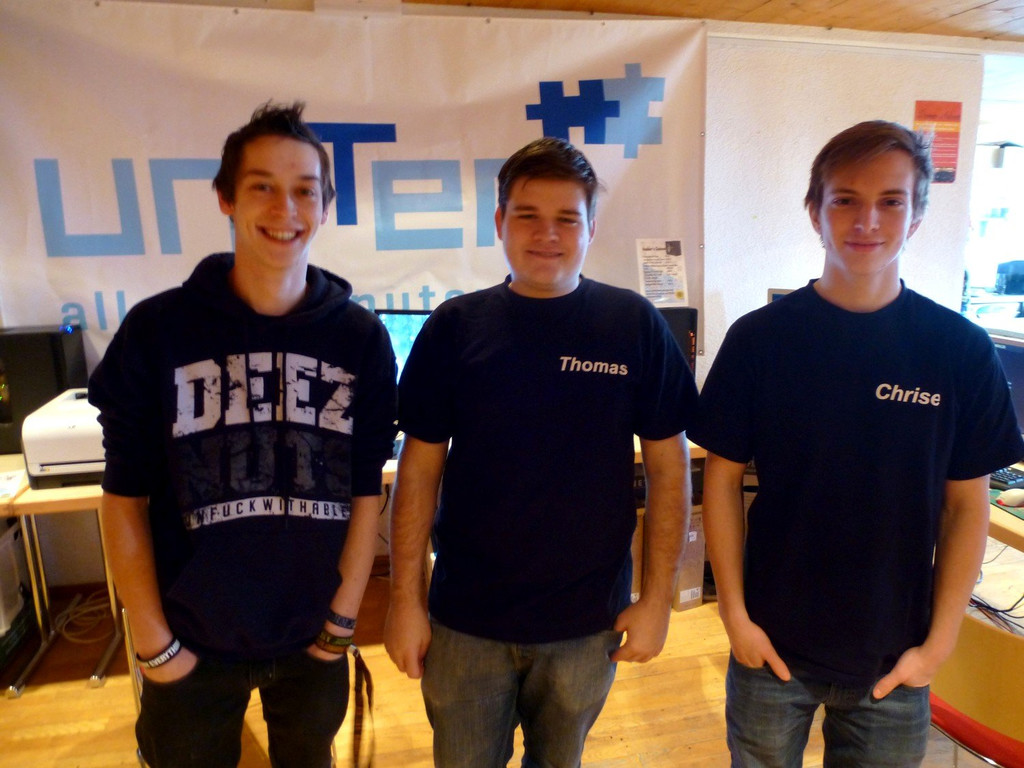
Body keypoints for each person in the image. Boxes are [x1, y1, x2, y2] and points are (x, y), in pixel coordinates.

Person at [691, 120, 1024, 767]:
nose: (867, 220)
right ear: (815, 210)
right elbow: (721, 481)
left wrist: (938, 646)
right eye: (845, 198)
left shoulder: (958, 350)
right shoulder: (759, 340)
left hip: (895, 658)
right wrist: (734, 615)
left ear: (917, 216)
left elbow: (967, 507)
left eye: (890, 201)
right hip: (770, 647)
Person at [88, 102, 397, 768]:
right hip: (190, 645)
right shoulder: (157, 331)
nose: (286, 208)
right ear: (226, 198)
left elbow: (365, 491)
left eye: (305, 191)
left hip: (313, 642)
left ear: (325, 207)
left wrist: (341, 623)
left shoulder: (360, 339)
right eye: (262, 186)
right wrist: (154, 644)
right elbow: (123, 498)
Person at [383, 137, 699, 767]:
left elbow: (670, 472)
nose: (547, 234)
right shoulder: (454, 328)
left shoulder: (633, 325)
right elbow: (416, 475)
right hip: (466, 619)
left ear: (591, 227)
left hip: (587, 620)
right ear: (500, 221)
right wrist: (404, 602)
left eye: (566, 219)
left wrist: (656, 599)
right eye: (527, 215)